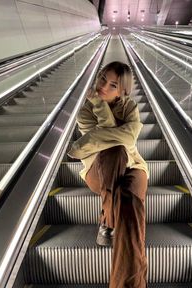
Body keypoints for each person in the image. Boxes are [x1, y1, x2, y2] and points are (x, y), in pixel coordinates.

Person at [68, 61, 149, 288]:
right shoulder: (85, 110)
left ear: (123, 90)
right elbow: (107, 140)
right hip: (97, 172)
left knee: (129, 200)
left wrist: (83, 144)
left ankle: (108, 221)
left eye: (113, 85)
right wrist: (99, 105)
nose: (103, 86)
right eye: (103, 78)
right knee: (113, 150)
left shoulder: (130, 107)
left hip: (134, 167)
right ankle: (109, 218)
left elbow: (127, 139)